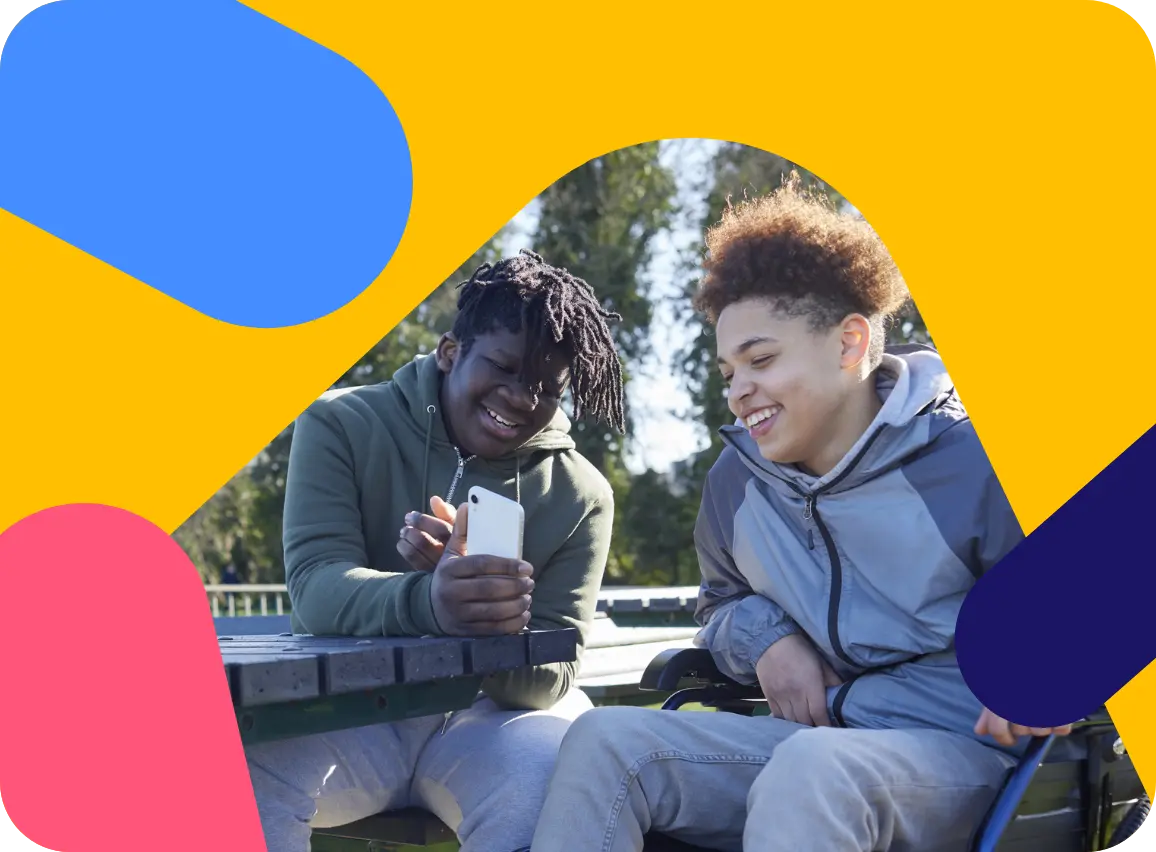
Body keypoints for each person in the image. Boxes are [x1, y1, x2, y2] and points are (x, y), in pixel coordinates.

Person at [529, 177, 1075, 852]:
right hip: (815, 742)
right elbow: (722, 601)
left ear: (849, 345)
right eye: (728, 373)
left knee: (812, 769)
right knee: (603, 740)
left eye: (760, 359)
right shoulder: (735, 485)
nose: (739, 391)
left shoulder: (972, 460)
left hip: (968, 755)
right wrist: (767, 639)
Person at [245, 249, 625, 852]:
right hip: (353, 714)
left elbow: (552, 679)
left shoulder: (581, 495)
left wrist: (487, 625)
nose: (520, 398)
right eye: (503, 367)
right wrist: (428, 601)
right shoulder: (341, 423)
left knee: (556, 778)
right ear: (450, 352)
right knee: (235, 771)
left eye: (545, 389)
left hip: (494, 720)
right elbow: (315, 588)